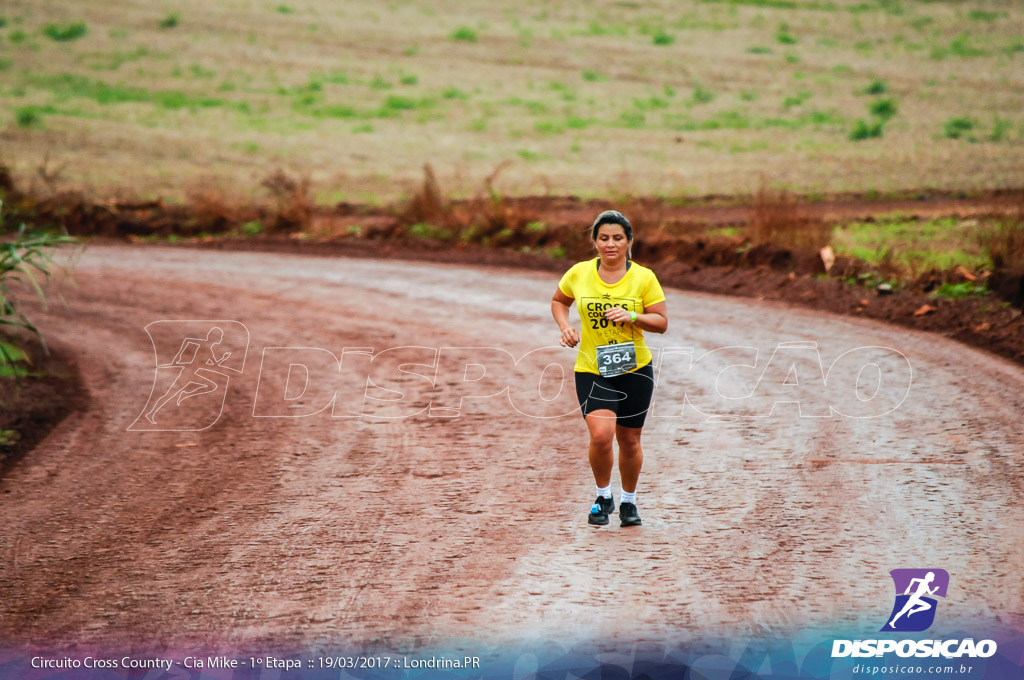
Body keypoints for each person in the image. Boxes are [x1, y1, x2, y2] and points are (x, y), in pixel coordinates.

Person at [551, 210, 668, 527]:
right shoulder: (579, 273)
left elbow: (661, 323)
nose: (610, 244)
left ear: (629, 241)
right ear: (595, 242)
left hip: (634, 369)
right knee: (601, 435)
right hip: (593, 368)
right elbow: (559, 301)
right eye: (604, 238)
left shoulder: (644, 277)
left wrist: (633, 317)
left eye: (618, 238)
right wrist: (565, 326)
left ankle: (629, 502)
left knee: (629, 441)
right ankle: (604, 496)